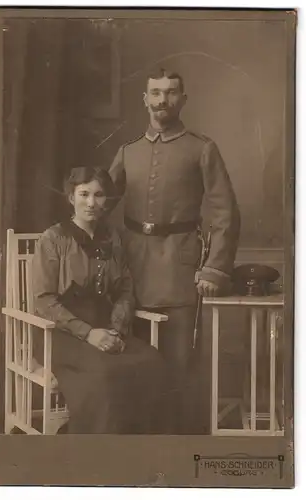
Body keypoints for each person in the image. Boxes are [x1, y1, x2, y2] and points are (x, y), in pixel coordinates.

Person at [109, 68, 241, 434]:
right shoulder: (127, 151)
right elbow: (98, 206)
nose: (162, 100)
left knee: (178, 361)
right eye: (155, 92)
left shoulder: (202, 149)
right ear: (145, 99)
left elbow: (224, 211)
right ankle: (136, 442)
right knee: (130, 356)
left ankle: (177, 446)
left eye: (170, 93)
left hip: (180, 270)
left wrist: (214, 268)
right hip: (131, 268)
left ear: (183, 100)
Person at [32, 165, 169, 434]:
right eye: (84, 194)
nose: (91, 203)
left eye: (99, 195)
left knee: (153, 363)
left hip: (106, 327)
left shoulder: (113, 238)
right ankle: (98, 456)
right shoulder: (53, 238)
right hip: (61, 333)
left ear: (107, 200)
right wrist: (88, 333)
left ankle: (145, 456)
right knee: (103, 375)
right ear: (71, 197)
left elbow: (125, 290)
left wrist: (116, 329)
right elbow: (44, 300)